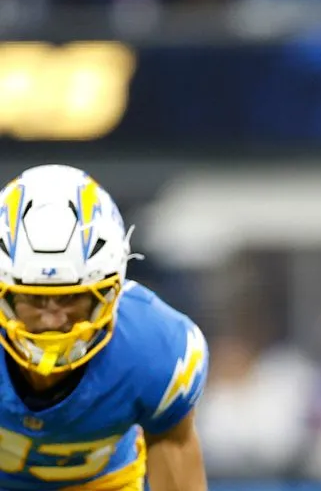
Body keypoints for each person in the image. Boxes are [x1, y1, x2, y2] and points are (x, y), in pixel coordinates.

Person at [0, 165, 209, 490]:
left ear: (111, 290)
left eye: (72, 298)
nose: (54, 320)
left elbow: (175, 456)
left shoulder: (152, 348)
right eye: (34, 298)